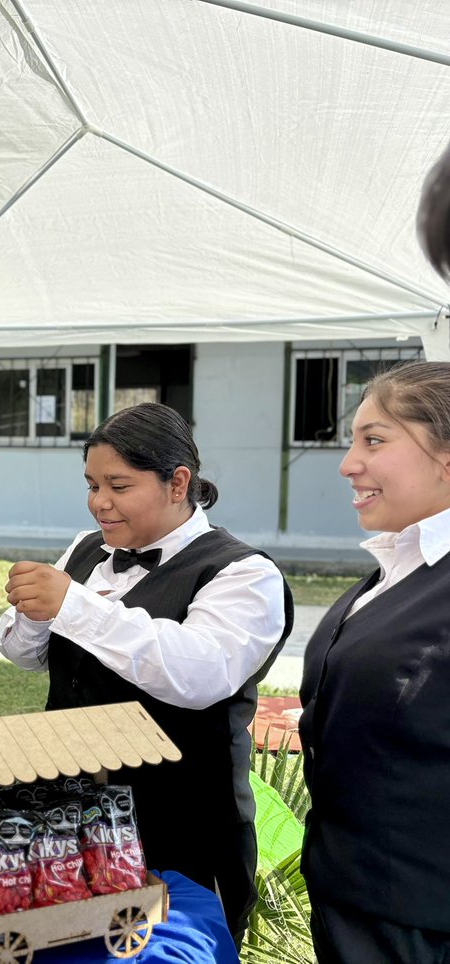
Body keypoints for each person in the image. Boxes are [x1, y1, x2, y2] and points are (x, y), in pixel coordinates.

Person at [0, 402, 292, 945]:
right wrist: (33, 614)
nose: (99, 503)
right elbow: (26, 655)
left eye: (118, 486)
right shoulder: (86, 550)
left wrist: (76, 606)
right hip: (74, 814)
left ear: (178, 483)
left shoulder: (244, 573)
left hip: (181, 826)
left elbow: (199, 674)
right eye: (92, 486)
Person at [298, 363, 450, 964]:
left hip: (422, 918)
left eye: (375, 440)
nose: (348, 463)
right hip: (352, 895)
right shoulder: (399, 565)